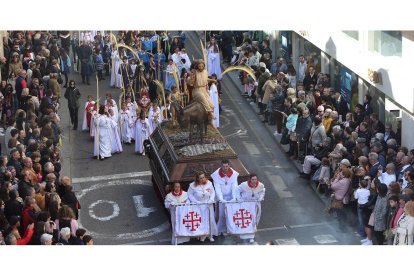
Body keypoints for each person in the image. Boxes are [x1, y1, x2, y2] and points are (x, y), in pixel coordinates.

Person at [187, 171, 218, 242]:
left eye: (203, 177)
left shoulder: (209, 183)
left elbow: (213, 192)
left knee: (210, 219)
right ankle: (202, 235)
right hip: (199, 206)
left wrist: (211, 199)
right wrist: (196, 201)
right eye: (201, 178)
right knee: (201, 220)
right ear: (197, 179)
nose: (203, 179)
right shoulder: (192, 185)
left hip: (208, 204)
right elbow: (189, 194)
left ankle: (210, 235)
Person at [211, 159, 239, 236]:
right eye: (224, 166)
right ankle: (221, 230)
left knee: (231, 214)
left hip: (231, 197)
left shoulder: (233, 174)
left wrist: (234, 197)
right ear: (221, 166)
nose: (225, 168)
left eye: (227, 166)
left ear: (229, 166)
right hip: (222, 198)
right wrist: (221, 199)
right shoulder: (216, 175)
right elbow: (217, 188)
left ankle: (230, 229)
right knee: (221, 215)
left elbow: (234, 186)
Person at [235, 173, 265, 243]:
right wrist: (239, 199)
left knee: (254, 220)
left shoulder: (260, 185)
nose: (254, 181)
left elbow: (262, 191)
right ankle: (243, 234)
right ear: (250, 179)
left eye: (255, 179)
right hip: (246, 204)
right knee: (246, 220)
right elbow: (237, 190)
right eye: (252, 179)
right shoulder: (244, 185)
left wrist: (260, 198)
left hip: (255, 204)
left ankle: (252, 235)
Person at [190, 60, 217, 129]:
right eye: (199, 66)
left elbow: (206, 79)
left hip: (204, 90)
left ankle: (210, 121)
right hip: (197, 90)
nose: (201, 67)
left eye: (202, 66)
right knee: (202, 97)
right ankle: (211, 113)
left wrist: (212, 80)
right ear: (197, 66)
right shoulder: (194, 72)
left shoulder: (205, 71)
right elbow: (190, 81)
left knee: (212, 105)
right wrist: (191, 79)